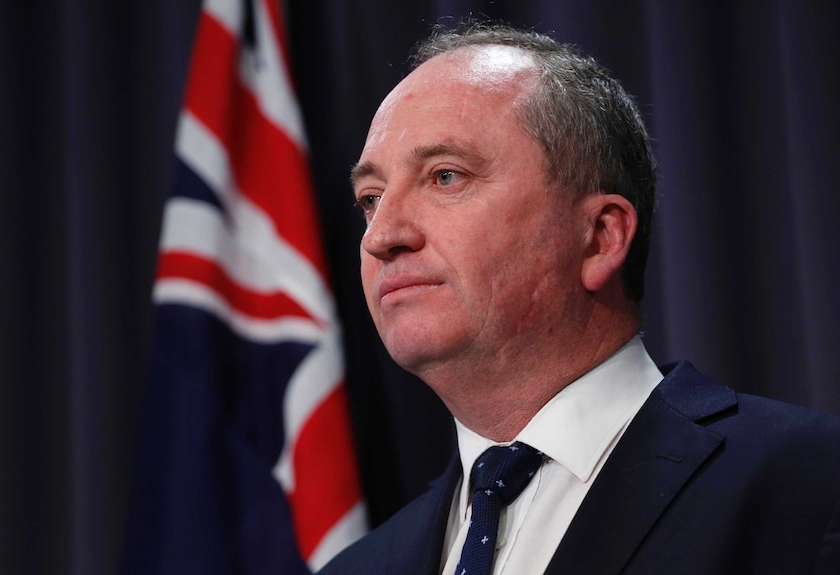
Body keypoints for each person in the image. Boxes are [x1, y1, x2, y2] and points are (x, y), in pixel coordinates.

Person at [318, 22, 840, 575]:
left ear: (599, 237)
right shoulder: (356, 568)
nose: (380, 237)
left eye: (445, 177)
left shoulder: (810, 486)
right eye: (370, 199)